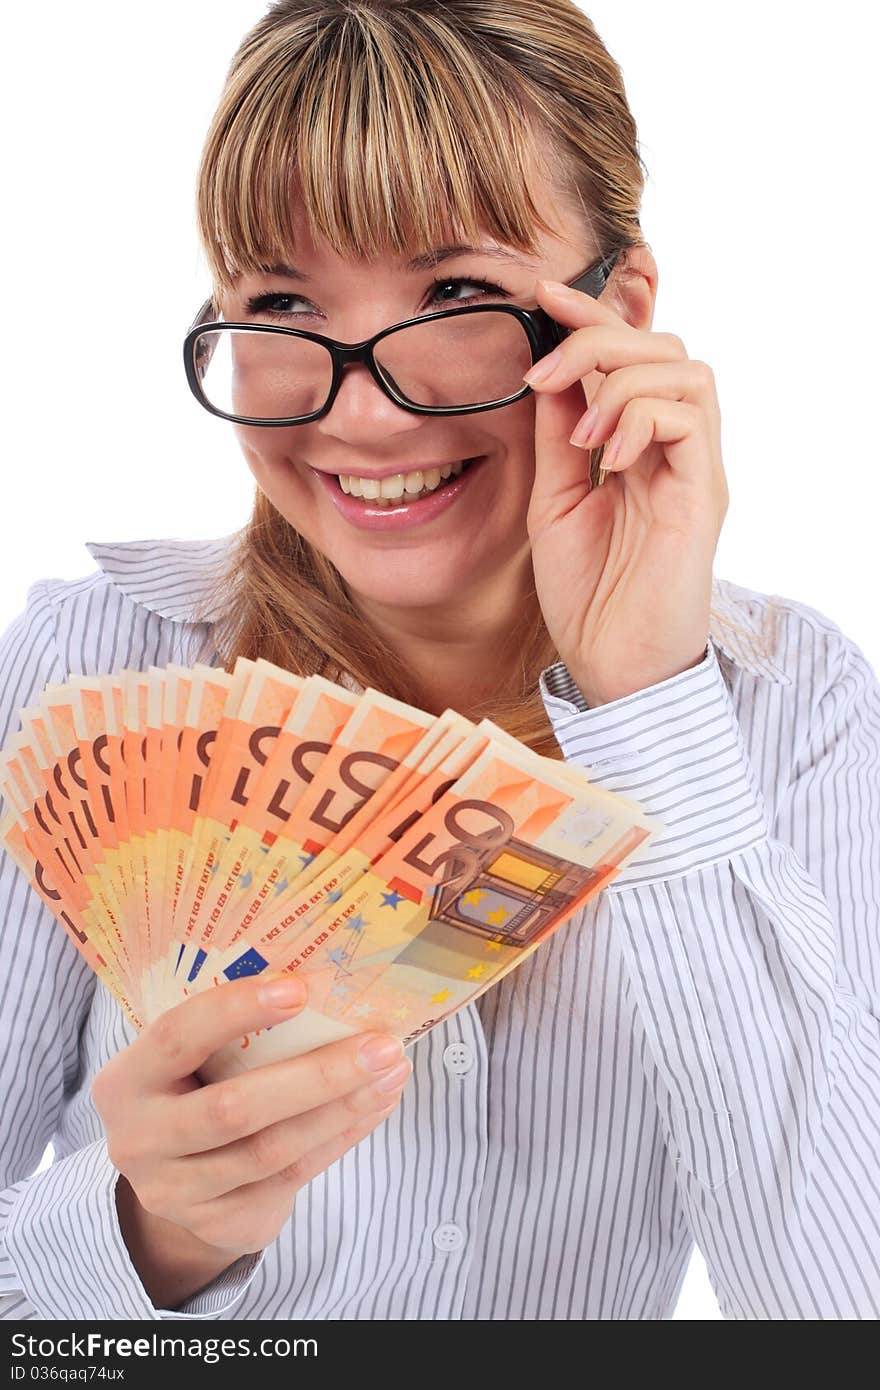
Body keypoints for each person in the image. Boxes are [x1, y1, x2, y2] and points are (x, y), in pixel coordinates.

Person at [1, 0, 878, 1322]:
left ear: (617, 313)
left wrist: (651, 699)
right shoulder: (92, 665)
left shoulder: (791, 710)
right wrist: (145, 1232)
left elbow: (833, 1315)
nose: (358, 410)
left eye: (457, 293)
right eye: (282, 300)